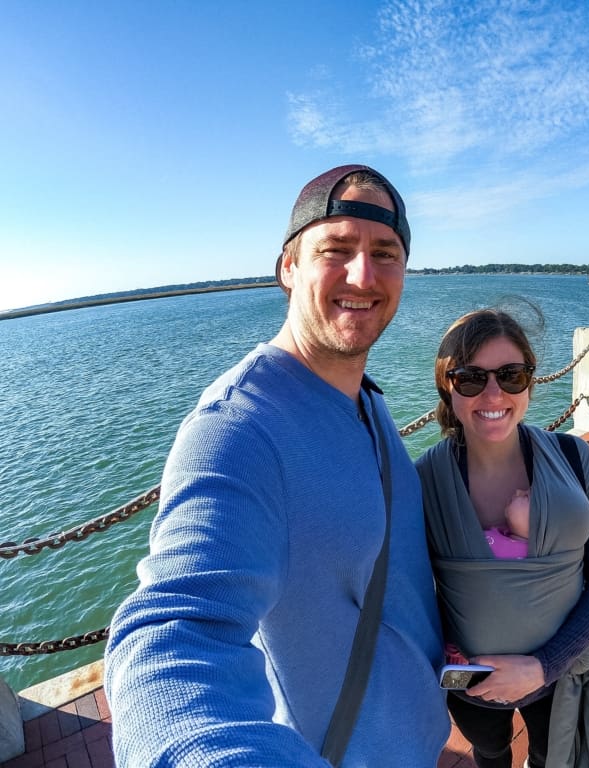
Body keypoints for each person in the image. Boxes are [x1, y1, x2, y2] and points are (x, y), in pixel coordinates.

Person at [104, 165, 451, 766]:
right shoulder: (238, 428)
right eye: (335, 250)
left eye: (385, 253)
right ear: (288, 268)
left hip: (420, 739)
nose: (363, 275)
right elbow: (171, 638)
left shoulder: (366, 400)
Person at [416, 308, 589, 768]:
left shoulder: (573, 457)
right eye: (470, 378)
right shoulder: (422, 482)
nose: (494, 393)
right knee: (491, 752)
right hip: (471, 690)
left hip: (561, 673)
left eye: (511, 375)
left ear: (530, 383)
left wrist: (544, 664)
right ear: (446, 387)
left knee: (549, 754)